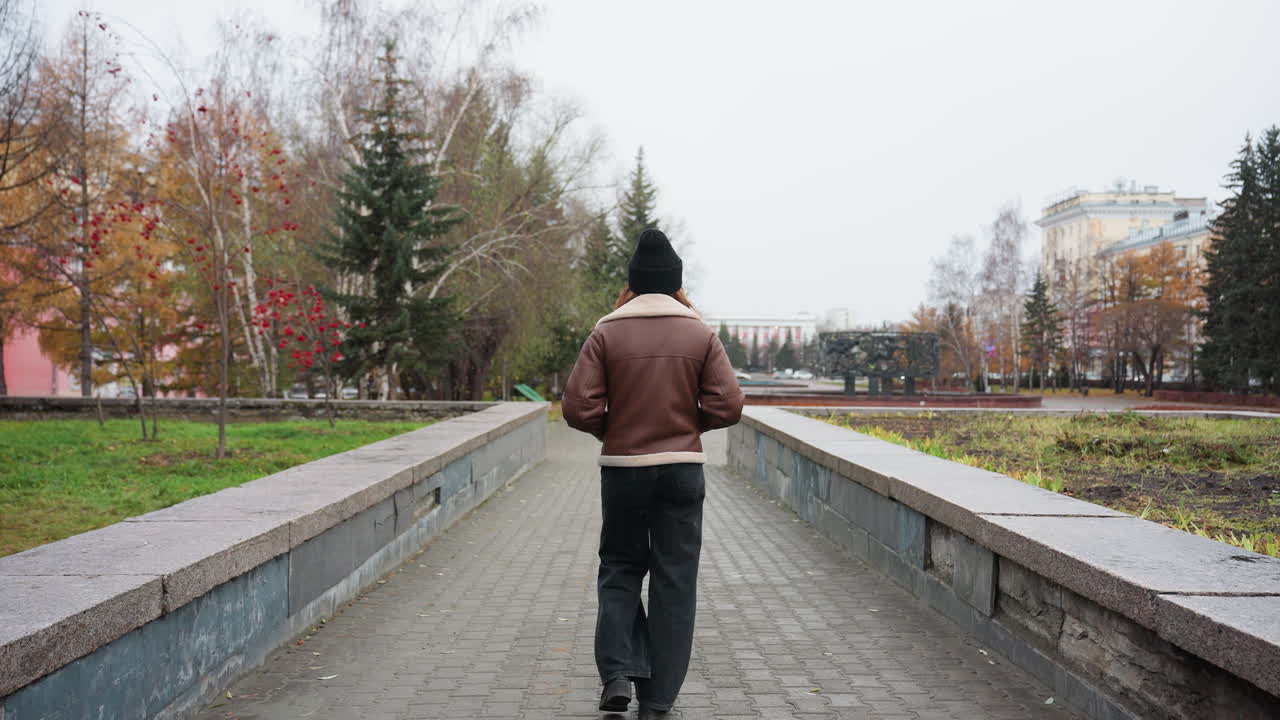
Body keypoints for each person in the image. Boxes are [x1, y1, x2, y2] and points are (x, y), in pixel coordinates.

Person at [562, 228, 745, 715]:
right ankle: (658, 698)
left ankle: (619, 672)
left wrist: (613, 432)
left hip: (624, 471)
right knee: (674, 579)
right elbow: (729, 405)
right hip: (683, 474)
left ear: (635, 282)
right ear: (676, 282)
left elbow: (577, 407)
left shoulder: (607, 330)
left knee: (620, 566)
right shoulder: (700, 332)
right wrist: (689, 427)